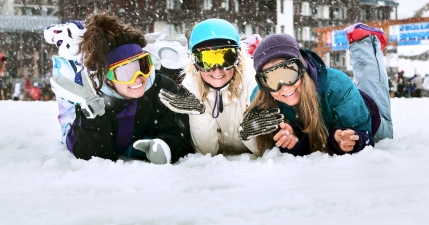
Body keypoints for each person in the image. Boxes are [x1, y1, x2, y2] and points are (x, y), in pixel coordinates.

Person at [48, 13, 193, 164]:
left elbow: (180, 135)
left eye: (142, 65)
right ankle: (74, 50)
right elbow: (93, 156)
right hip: (81, 118)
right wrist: (94, 117)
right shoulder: (93, 97)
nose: (137, 77)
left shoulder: (162, 89)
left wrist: (167, 147)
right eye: (125, 72)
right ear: (108, 78)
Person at [239, 23, 393, 156]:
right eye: (272, 80)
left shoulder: (337, 84)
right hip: (337, 111)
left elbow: (365, 135)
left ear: (301, 68)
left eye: (289, 73)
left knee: (370, 82)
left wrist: (352, 139)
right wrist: (295, 142)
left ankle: (365, 41)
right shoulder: (261, 99)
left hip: (367, 117)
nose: (284, 87)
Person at [159, 18, 259, 155]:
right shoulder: (191, 88)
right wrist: (199, 114)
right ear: (194, 62)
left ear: (238, 58)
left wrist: (251, 134)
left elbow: (266, 151)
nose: (216, 69)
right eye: (206, 61)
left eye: (226, 59)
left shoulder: (252, 84)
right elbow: (206, 153)